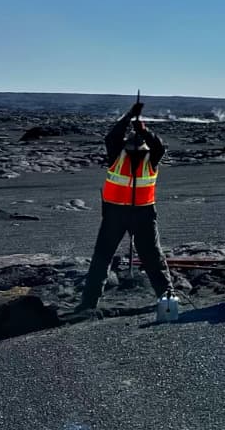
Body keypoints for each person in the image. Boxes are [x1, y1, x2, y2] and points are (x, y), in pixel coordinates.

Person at [73, 101, 173, 312]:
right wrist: (130, 118)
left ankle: (167, 299)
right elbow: (114, 138)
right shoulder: (129, 156)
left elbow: (158, 146)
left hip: (133, 213)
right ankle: (167, 300)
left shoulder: (133, 156)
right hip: (124, 213)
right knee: (141, 258)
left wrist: (142, 129)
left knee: (112, 257)